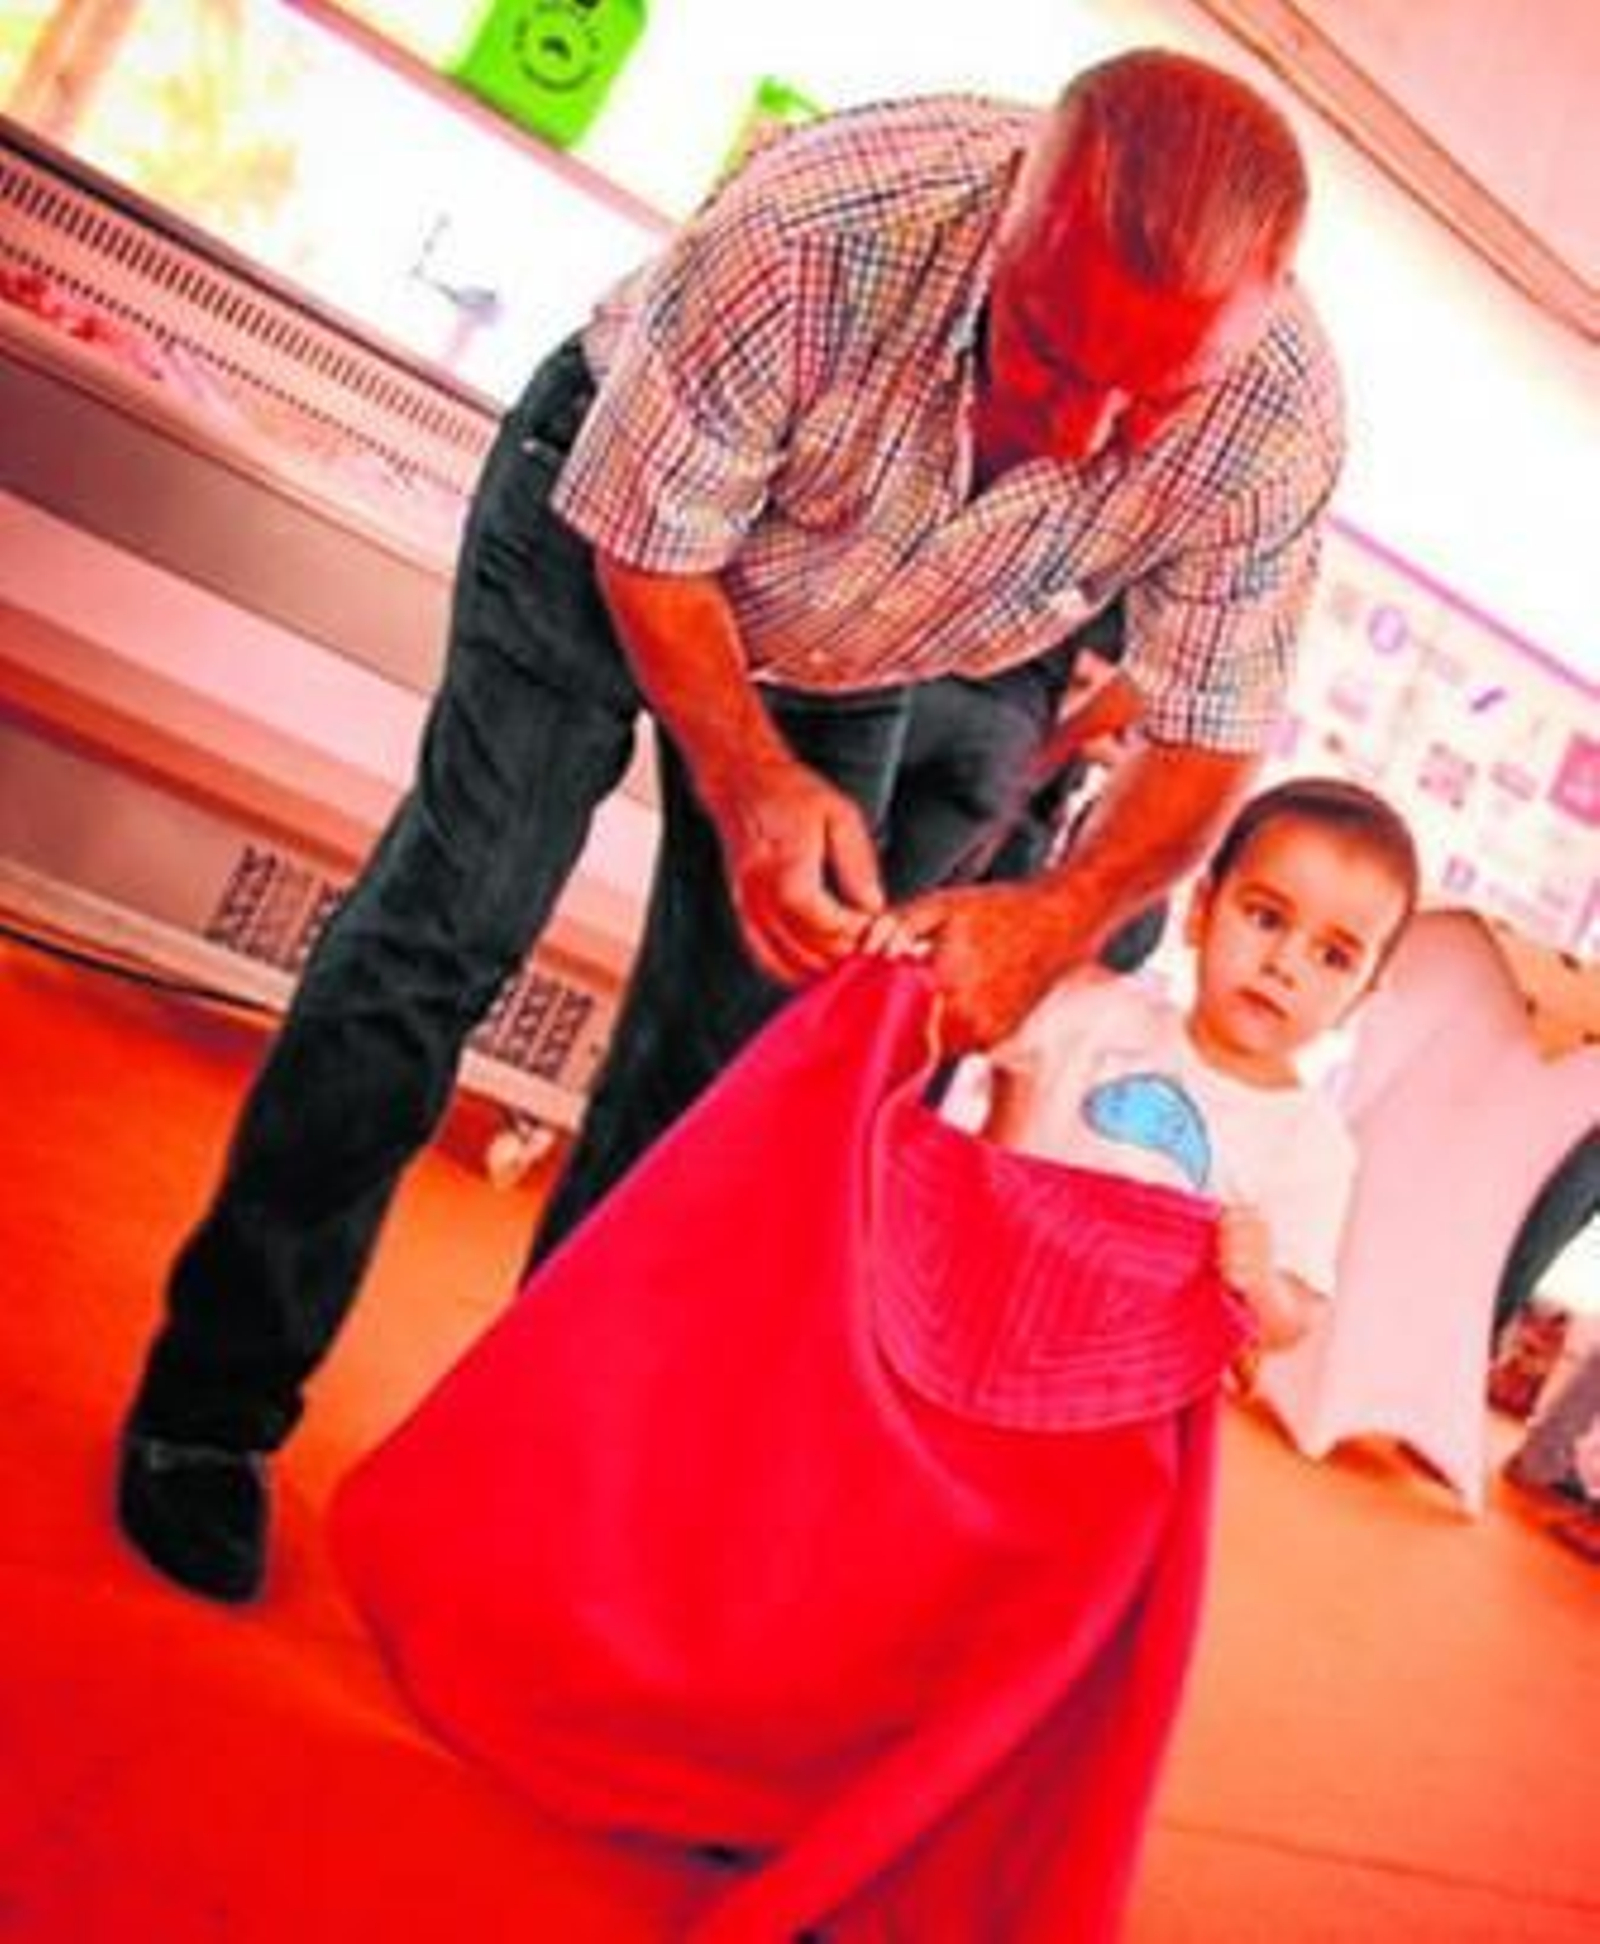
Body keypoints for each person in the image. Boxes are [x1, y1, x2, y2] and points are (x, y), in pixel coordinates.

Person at [117, 48, 1345, 1604]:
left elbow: (1211, 730)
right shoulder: (825, 222)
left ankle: (519, 1470)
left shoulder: (1277, 420)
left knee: (717, 1071)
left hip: (869, 636)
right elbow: (650, 550)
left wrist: (1053, 918)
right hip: (609, 537)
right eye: (1044, 354)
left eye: (1150, 399)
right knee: (452, 924)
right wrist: (749, 780)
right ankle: (208, 1414)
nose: (1082, 435)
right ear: (1011, 212)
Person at [329, 777, 1416, 1939]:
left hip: (1096, 1431)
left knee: (1008, 1640)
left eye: (1333, 954)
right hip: (954, 1334)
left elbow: (1294, 1316)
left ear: (1363, 995)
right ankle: (770, 1765)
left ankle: (889, 1833)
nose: (1285, 965)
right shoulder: (1096, 1013)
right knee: (871, 1575)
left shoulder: (1311, 1149)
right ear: (1201, 911)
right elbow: (964, 1022)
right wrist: (905, 973)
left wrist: (1258, 1286)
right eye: (1264, 916)